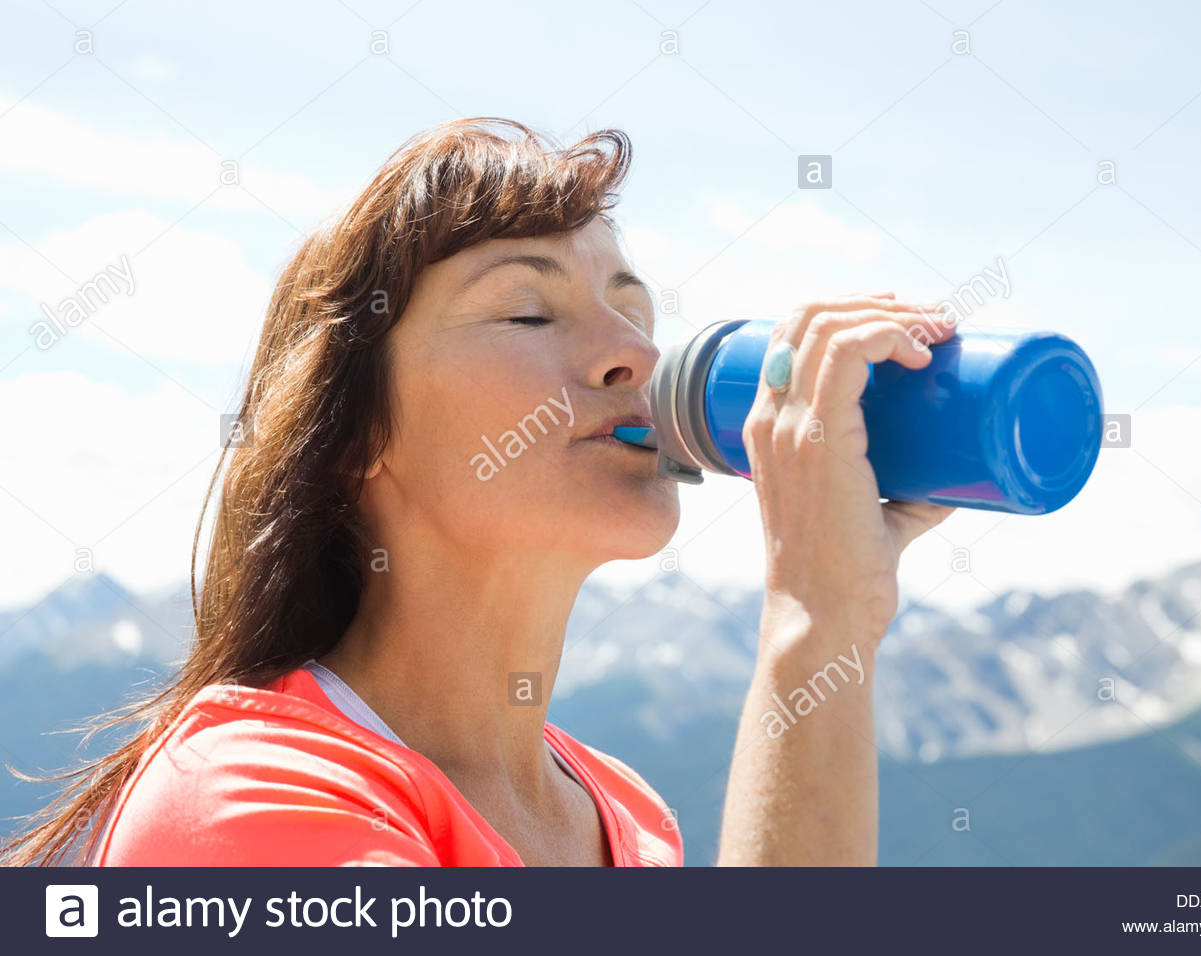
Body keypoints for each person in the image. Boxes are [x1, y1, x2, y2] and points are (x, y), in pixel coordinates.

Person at [0, 117, 953, 867]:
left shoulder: (625, 814)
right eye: (528, 310)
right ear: (355, 437)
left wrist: (834, 613)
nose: (634, 355)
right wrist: (815, 617)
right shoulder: (250, 794)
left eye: (635, 311)